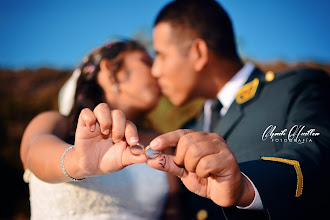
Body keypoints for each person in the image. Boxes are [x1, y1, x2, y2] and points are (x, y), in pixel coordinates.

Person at [142, 0, 330, 219]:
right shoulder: (188, 129)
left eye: (161, 55)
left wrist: (246, 187)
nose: (155, 71)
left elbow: (316, 155)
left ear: (198, 52)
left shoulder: (295, 89)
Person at [20, 40, 182, 220]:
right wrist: (78, 162)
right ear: (110, 70)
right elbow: (34, 153)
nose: (156, 72)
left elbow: (174, 212)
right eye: (146, 61)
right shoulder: (55, 123)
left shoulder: (161, 143)